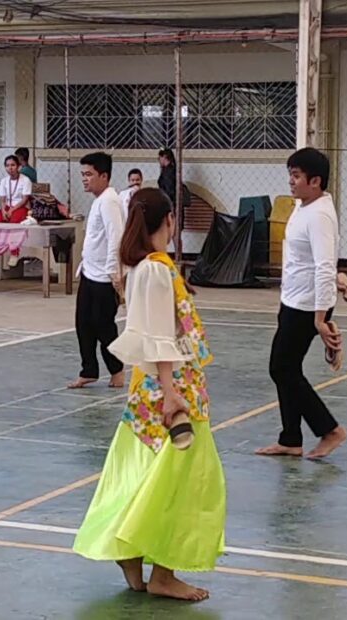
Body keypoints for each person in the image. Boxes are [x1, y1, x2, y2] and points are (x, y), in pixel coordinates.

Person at [73, 188, 225, 602]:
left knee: (144, 473)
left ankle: (133, 551)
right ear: (170, 221)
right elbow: (160, 339)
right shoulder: (157, 271)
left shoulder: (141, 268)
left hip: (149, 387)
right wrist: (173, 395)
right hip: (171, 388)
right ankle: (163, 570)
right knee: (182, 481)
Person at [256, 147, 347, 460]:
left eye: (297, 176)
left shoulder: (320, 215)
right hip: (292, 300)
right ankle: (291, 438)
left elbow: (325, 266)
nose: (291, 182)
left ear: (316, 181)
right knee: (287, 368)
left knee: (281, 368)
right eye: (290, 175)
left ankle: (330, 429)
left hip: (309, 306)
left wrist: (321, 318)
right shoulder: (303, 206)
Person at [68, 152, 125, 390]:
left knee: (103, 325)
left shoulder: (111, 200)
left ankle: (117, 369)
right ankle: (89, 370)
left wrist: (114, 272)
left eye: (89, 174)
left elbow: (116, 237)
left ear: (104, 175)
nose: (85, 179)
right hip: (90, 273)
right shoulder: (98, 200)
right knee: (83, 322)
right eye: (83, 174)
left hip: (104, 276)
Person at [0, 155, 32, 223]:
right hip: (7, 207)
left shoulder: (25, 180)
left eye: (13, 165)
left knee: (14, 221)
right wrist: (3, 211)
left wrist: (12, 210)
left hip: (21, 207)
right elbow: (2, 200)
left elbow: (24, 200)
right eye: (7, 165)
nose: (10, 168)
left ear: (18, 166)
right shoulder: (4, 181)